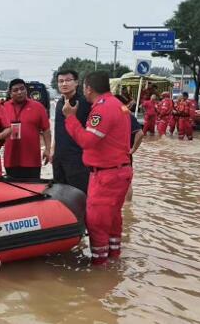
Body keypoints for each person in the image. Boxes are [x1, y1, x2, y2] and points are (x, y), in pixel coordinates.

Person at [63, 71, 132, 265]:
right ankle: (114, 258)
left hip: (106, 175)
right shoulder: (119, 105)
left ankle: (100, 267)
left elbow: (87, 141)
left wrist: (70, 118)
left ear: (88, 88)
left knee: (97, 221)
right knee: (113, 219)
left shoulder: (102, 109)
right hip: (120, 171)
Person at [3, 78, 51, 179]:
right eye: (15, 90)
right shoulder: (4, 108)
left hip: (32, 161)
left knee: (32, 191)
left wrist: (47, 149)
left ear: (26, 90)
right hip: (10, 160)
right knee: (13, 192)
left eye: (22, 89)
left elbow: (46, 130)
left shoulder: (38, 107)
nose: (19, 92)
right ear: (10, 93)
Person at [52, 70, 91, 193]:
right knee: (60, 195)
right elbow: (57, 129)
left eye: (68, 80)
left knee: (79, 195)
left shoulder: (84, 103)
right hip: (59, 158)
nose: (64, 84)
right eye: (61, 81)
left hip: (78, 159)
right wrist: (53, 149)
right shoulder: (59, 103)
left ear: (76, 83)